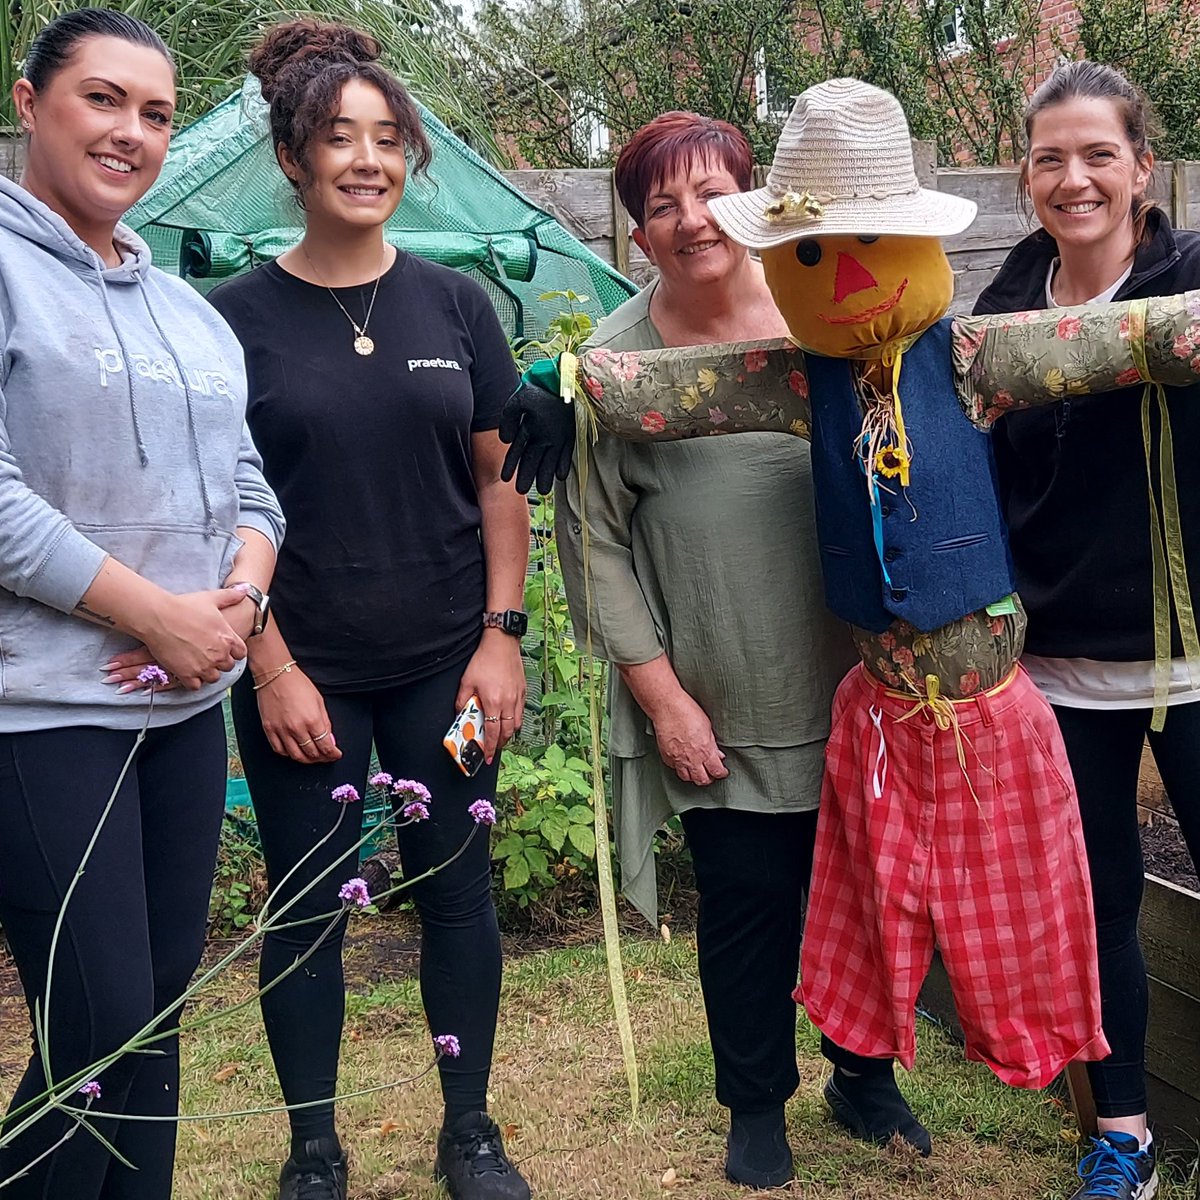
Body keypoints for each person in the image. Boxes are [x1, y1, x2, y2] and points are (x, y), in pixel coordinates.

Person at [208, 20, 531, 1200]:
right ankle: (313, 1145)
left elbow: (500, 483)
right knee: (304, 921)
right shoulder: (230, 321)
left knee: (457, 897)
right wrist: (272, 666)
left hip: (448, 660)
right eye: (339, 136)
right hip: (308, 671)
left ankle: (471, 1132)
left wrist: (503, 640)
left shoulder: (456, 306)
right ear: (293, 157)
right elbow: (216, 512)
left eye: (389, 138)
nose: (366, 158)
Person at [549, 112, 879, 1191]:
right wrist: (663, 700)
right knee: (746, 909)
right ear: (636, 235)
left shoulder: (828, 321)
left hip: (858, 687)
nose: (690, 221)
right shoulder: (611, 366)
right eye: (660, 205)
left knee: (867, 897)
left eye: (710, 195)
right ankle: (755, 1105)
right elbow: (593, 547)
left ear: (754, 204)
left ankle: (865, 1076)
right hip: (720, 699)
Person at [0, 9, 284, 1198]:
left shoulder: (189, 313)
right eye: (102, 99)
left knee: (152, 1019)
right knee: (99, 1026)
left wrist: (237, 606)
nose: (132, 132)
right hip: (46, 710)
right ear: (29, 102)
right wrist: (149, 615)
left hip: (182, 713)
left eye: (156, 112)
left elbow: (253, 484)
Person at [975, 60, 1200, 1200]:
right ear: (1026, 175)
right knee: (1100, 907)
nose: (1076, 179)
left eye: (1099, 154)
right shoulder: (999, 313)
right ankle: (1125, 1137)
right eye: (1052, 158)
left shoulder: (1196, 279)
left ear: (1143, 168)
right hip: (1062, 670)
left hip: (1199, 660)